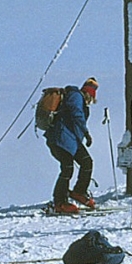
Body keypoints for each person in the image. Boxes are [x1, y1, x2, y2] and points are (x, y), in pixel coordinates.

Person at [45, 77, 99, 214]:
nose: (90, 102)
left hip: (69, 140)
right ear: (88, 93)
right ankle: (60, 202)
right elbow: (77, 114)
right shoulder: (76, 96)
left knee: (86, 162)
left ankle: (78, 192)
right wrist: (86, 133)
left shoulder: (75, 97)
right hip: (60, 139)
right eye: (91, 98)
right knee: (68, 167)